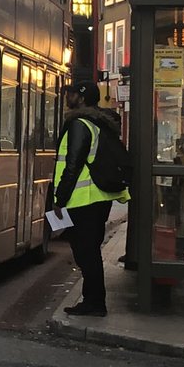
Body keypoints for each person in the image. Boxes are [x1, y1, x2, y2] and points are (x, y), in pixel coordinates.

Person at [54, 81, 130, 316]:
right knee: (90, 251)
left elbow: (72, 164)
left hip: (84, 199)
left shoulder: (79, 125)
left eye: (73, 93)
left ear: (82, 98)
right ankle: (93, 300)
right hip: (98, 198)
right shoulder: (99, 124)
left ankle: (95, 302)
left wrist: (60, 199)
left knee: (86, 253)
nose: (69, 96)